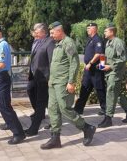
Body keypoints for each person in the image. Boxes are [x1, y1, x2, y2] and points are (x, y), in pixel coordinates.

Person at [40, 21, 96, 149]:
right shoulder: (57, 44)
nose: (51, 35)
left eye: (53, 32)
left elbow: (74, 64)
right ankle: (55, 138)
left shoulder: (68, 43)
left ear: (60, 31)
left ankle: (87, 128)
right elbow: (55, 64)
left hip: (63, 83)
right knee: (52, 109)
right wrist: (51, 79)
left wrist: (71, 82)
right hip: (54, 83)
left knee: (64, 108)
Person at [98, 24, 127, 128]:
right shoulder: (108, 42)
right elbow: (108, 57)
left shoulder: (118, 42)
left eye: (106, 31)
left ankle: (108, 118)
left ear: (111, 32)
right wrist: (102, 64)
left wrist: (109, 66)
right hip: (109, 72)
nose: (104, 33)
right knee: (116, 94)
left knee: (110, 93)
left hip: (115, 72)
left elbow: (122, 59)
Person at [25, 23, 55, 136]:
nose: (35, 34)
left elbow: (52, 61)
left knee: (41, 102)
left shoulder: (50, 42)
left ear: (43, 32)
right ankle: (48, 116)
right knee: (31, 91)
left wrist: (50, 78)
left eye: (37, 32)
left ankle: (34, 129)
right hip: (35, 76)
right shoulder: (38, 41)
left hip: (44, 77)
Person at [74, 22, 106, 115]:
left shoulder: (98, 40)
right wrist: (86, 63)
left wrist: (91, 63)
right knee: (84, 88)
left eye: (89, 28)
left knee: (100, 89)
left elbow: (99, 54)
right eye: (87, 28)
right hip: (88, 70)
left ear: (94, 29)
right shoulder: (90, 39)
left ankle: (105, 109)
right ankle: (78, 109)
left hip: (95, 69)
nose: (87, 30)